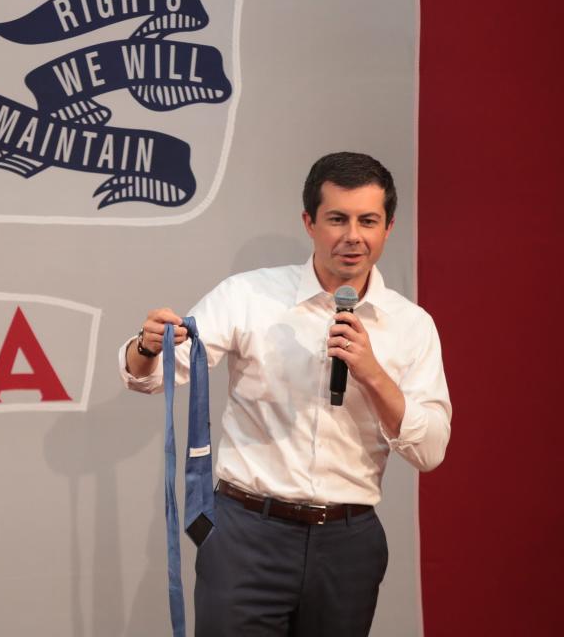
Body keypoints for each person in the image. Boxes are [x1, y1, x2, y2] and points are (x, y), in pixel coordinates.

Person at [118, 152, 451, 636]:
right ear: (310, 222)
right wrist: (147, 346)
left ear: (388, 227)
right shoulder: (248, 296)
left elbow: (430, 450)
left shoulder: (412, 326)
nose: (352, 235)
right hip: (246, 535)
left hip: (348, 541)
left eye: (368, 221)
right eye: (337, 218)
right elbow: (149, 376)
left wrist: (373, 374)